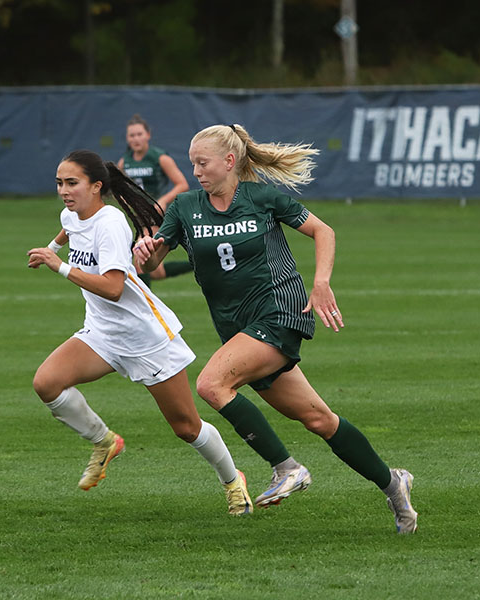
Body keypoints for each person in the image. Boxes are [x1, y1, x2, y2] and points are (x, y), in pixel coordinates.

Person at [132, 124, 418, 534]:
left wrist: (321, 283)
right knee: (320, 420)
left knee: (212, 385)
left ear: (229, 162)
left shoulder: (261, 198)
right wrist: (146, 250)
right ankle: (395, 485)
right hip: (238, 329)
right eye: (192, 162)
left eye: (202, 162)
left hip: (281, 312)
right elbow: (152, 263)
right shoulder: (184, 207)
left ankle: (287, 467)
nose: (195, 171)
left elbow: (324, 231)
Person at [27, 149, 253, 516]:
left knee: (186, 427)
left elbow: (114, 288)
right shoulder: (71, 212)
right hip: (101, 334)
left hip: (145, 338)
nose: (64, 191)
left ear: (96, 186)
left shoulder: (111, 223)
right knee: (47, 383)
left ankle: (232, 480)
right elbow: (70, 225)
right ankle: (104, 442)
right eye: (59, 183)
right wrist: (53, 246)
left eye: (72, 183)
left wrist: (60, 266)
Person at [116, 114, 191, 286]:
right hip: (140, 218)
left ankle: (145, 310)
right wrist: (126, 201)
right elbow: (118, 189)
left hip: (156, 216)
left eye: (139, 134)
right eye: (132, 135)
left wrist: (163, 201)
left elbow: (182, 184)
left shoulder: (160, 158)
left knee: (141, 258)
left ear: (148, 135)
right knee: (156, 271)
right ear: (127, 138)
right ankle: (198, 265)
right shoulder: (124, 161)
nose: (136, 139)